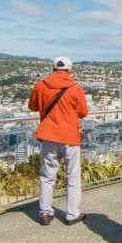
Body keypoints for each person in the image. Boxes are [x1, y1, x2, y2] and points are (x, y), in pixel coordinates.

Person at [28, 56, 88, 225]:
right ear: (70, 70)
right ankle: (72, 214)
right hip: (69, 137)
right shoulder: (75, 88)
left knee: (47, 176)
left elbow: (32, 106)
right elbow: (83, 112)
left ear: (53, 68)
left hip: (48, 136)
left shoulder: (41, 85)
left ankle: (45, 212)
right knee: (73, 177)